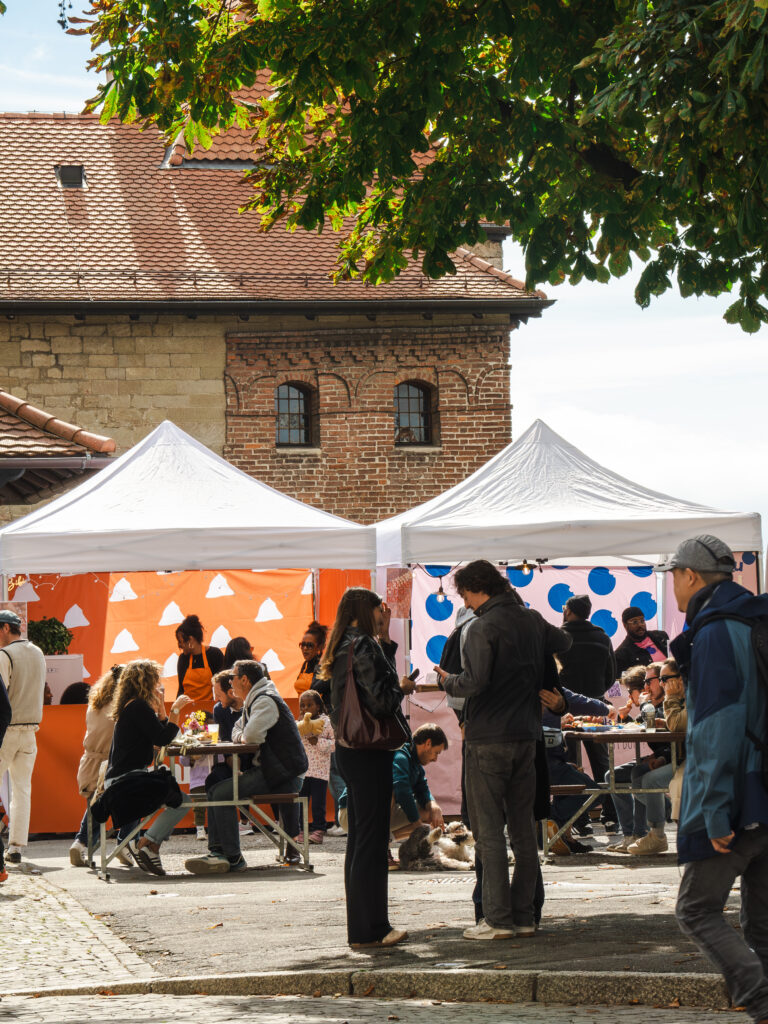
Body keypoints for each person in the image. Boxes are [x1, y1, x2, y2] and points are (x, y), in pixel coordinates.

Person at [656, 535, 768, 1024]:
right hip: (762, 790)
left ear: (690, 575)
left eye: (672, 575)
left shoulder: (718, 630)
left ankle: (761, 1000)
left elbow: (717, 727)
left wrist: (716, 809)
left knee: (696, 910)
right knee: (762, 926)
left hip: (738, 795)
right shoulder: (753, 617)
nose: (672, 585)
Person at [436, 559, 571, 940]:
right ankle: (524, 915)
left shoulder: (480, 627)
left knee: (490, 832)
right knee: (524, 831)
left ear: (477, 588)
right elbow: (565, 642)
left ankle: (497, 919)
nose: (465, 602)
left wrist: (448, 680)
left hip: (488, 736)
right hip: (526, 735)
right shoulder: (532, 620)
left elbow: (474, 682)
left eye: (465, 594)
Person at [318, 587, 415, 949]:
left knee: (361, 840)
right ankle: (373, 928)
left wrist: (385, 638)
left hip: (350, 749)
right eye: (379, 609)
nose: (382, 614)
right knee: (372, 842)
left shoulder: (343, 643)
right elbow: (382, 698)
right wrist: (402, 688)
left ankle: (363, 928)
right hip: (370, 749)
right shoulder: (363, 645)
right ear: (367, 609)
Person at [185, 659, 308, 875]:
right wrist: (242, 734)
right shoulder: (255, 699)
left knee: (221, 792)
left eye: (232, 677)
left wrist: (242, 734)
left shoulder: (264, 701)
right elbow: (238, 730)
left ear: (244, 680)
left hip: (283, 774)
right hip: (273, 770)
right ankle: (218, 852)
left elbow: (250, 736)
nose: (230, 682)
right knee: (215, 789)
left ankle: (232, 857)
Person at [105, 660, 194, 875]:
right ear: (146, 682)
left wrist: (163, 710)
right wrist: (175, 710)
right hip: (127, 781)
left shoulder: (132, 706)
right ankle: (147, 844)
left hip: (124, 778)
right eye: (155, 679)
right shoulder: (138, 707)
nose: (158, 684)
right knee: (182, 801)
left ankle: (149, 846)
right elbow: (163, 739)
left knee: (175, 797)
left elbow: (159, 734)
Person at [558, 593, 617, 834]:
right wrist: (596, 695)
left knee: (570, 764)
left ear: (569, 611)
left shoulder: (559, 637)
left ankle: (578, 820)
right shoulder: (602, 637)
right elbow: (611, 675)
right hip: (595, 705)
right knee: (602, 762)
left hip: (566, 709)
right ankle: (611, 816)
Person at [69, 665, 136, 867]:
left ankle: (80, 843)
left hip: (89, 763)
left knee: (96, 808)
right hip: (112, 764)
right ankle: (125, 842)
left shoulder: (95, 703)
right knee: (138, 797)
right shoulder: (123, 706)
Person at [607, 662, 671, 853]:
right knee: (616, 775)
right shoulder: (653, 706)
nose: (646, 687)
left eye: (649, 682)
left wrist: (661, 757)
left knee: (641, 777)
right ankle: (634, 834)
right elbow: (642, 726)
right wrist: (624, 719)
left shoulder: (666, 705)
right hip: (660, 758)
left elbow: (665, 732)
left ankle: (645, 831)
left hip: (672, 759)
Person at [0, 609, 46, 865]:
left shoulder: (5, 654)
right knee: (21, 789)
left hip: (6, 730)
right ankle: (16, 846)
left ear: (6, 628)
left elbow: (1, 696)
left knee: (19, 789)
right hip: (30, 731)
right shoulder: (37, 652)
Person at [628, 657, 685, 856]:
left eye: (664, 679)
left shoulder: (686, 698)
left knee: (649, 780)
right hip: (677, 756)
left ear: (680, 679)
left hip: (691, 758)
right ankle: (637, 833)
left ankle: (657, 834)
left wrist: (668, 699)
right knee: (635, 775)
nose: (660, 684)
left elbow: (678, 727)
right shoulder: (672, 700)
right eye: (658, 679)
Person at [391, 723, 446, 839]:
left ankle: (388, 839)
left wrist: (433, 805)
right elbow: (402, 790)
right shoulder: (401, 756)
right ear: (428, 743)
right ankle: (380, 838)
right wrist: (417, 824)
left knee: (431, 813)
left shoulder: (415, 762)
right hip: (364, 812)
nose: (436, 759)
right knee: (393, 793)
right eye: (436, 752)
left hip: (381, 812)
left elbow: (422, 788)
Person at [296, 689, 335, 844]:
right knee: (300, 802)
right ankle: (299, 830)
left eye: (309, 705)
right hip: (302, 770)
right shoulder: (298, 724)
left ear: (318, 706)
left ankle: (318, 830)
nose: (305, 708)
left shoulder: (326, 722)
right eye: (302, 705)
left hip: (320, 771)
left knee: (318, 803)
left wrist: (318, 741)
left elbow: (334, 744)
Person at [175, 614, 224, 702]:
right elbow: (181, 690)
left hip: (210, 707)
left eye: (180, 641)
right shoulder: (183, 659)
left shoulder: (214, 654)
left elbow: (222, 687)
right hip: (188, 708)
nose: (179, 645)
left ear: (191, 640)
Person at [614, 606, 669, 677]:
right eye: (635, 622)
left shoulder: (661, 636)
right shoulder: (621, 654)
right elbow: (624, 681)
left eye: (642, 621)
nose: (640, 625)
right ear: (625, 625)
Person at [294, 622, 328, 697]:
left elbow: (316, 689)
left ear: (320, 647)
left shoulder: (323, 665)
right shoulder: (305, 664)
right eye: (303, 645)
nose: (305, 648)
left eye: (310, 645)